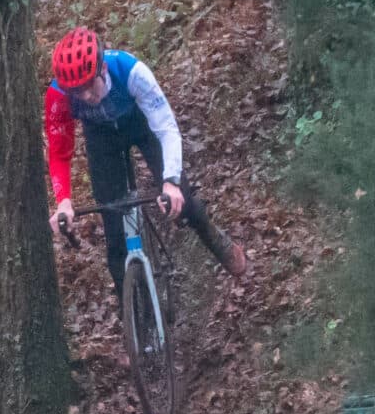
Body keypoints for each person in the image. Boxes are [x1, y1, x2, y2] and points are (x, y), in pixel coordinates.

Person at [43, 27, 250, 292]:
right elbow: (59, 152)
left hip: (142, 125)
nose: (84, 96)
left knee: (183, 200)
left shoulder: (130, 71)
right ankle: (132, 311)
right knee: (115, 238)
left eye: (88, 86)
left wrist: (171, 182)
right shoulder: (58, 96)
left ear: (102, 69)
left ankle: (213, 236)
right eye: (76, 91)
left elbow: (166, 128)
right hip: (102, 139)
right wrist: (63, 201)